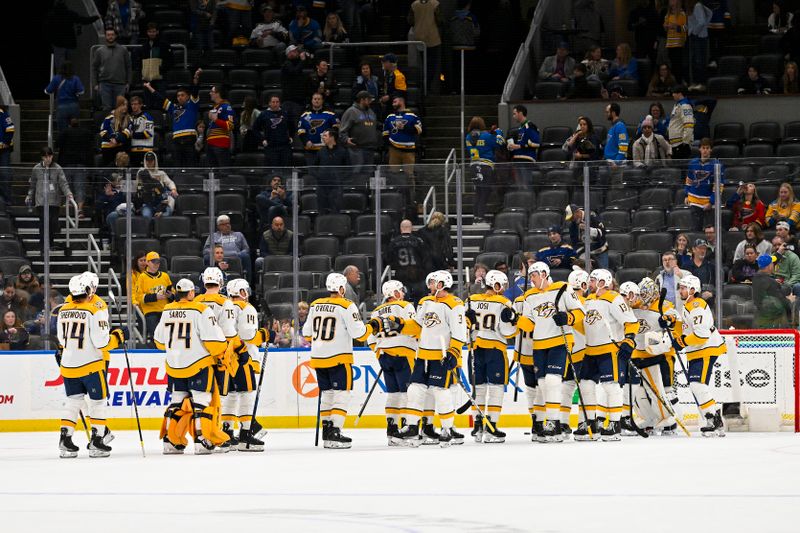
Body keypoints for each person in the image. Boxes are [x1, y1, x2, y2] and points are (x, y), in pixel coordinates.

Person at [377, 270, 467, 446]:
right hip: (423, 355)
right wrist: (400, 323)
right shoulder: (425, 302)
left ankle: (447, 428)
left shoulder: (455, 305)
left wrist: (454, 353)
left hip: (440, 356)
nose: (429, 286)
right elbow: (417, 325)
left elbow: (459, 333)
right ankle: (411, 426)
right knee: (415, 390)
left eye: (432, 283)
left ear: (441, 284)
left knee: (441, 392)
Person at [154, 278, 230, 454]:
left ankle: (171, 442)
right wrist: (222, 352)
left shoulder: (167, 310)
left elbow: (159, 341)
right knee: (201, 402)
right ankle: (201, 439)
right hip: (198, 365)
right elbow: (216, 341)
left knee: (176, 402)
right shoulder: (201, 309)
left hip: (174, 365)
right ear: (190, 293)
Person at [302, 273, 374, 448]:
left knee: (327, 394)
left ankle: (327, 431)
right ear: (342, 289)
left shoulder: (315, 305)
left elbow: (306, 334)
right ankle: (335, 431)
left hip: (318, 358)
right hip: (339, 357)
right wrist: (373, 326)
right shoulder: (347, 305)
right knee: (342, 394)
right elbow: (359, 334)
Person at [56, 274, 123, 458]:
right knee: (98, 401)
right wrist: (117, 338)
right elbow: (102, 343)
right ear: (88, 290)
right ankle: (97, 441)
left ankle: (65, 440)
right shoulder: (95, 310)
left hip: (68, 364)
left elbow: (62, 339)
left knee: (73, 401)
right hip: (91, 364)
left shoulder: (63, 309)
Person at [575, 268, 637, 441]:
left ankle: (615, 423)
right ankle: (591, 424)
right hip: (590, 349)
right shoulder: (588, 300)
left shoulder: (614, 299)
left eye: (593, 280)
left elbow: (631, 321)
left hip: (609, 349)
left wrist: (629, 340)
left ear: (602, 282)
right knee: (586, 385)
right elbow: (585, 326)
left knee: (611, 386)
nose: (590, 284)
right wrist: (569, 321)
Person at [464, 270, 517, 442]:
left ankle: (478, 427)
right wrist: (513, 320)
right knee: (495, 388)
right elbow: (508, 332)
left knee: (477, 388)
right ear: (496, 285)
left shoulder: (470, 301)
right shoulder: (504, 302)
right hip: (495, 349)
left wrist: (469, 321)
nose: (503, 290)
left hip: (474, 349)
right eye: (502, 286)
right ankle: (492, 426)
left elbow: (462, 329)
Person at [669, 275, 726, 436]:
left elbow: (701, 335)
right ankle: (715, 419)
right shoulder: (687, 305)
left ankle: (713, 419)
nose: (680, 290)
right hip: (696, 350)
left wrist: (680, 343)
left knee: (697, 385)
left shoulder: (697, 305)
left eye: (683, 287)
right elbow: (685, 329)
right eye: (680, 287)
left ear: (693, 290)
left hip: (706, 348)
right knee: (698, 386)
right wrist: (673, 323)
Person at [623, 277, 679, 435]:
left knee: (658, 390)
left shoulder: (663, 305)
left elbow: (674, 319)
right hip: (635, 354)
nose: (643, 298)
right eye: (641, 294)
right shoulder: (634, 304)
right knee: (637, 392)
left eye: (645, 294)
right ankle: (646, 419)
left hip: (654, 355)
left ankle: (667, 421)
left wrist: (668, 320)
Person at [366, 280, 418, 445]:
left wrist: (380, 352)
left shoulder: (376, 311)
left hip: (385, 357)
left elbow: (370, 338)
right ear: (394, 293)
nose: (402, 293)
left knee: (393, 394)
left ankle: (392, 430)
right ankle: (404, 430)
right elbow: (415, 328)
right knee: (407, 394)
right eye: (400, 291)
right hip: (403, 354)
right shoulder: (405, 306)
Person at [194, 267, 239, 452]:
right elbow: (229, 333)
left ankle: (200, 437)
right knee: (218, 397)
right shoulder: (225, 303)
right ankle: (216, 435)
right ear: (221, 282)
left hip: (197, 358)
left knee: (200, 399)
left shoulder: (195, 301)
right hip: (220, 356)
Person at [225, 278, 272, 450]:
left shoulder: (225, 307)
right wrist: (265, 334)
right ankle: (246, 435)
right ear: (243, 292)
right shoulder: (247, 308)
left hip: (227, 359)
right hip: (244, 358)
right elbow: (249, 336)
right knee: (246, 394)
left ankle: (227, 432)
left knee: (230, 395)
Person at [145, 69, 202, 168]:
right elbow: (160, 98)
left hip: (189, 139)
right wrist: (149, 87)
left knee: (191, 166)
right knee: (177, 167)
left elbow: (195, 91)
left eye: (182, 95)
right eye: (178, 96)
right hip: (176, 140)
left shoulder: (192, 105)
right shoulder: (173, 107)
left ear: (188, 96)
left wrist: (196, 78)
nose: (179, 97)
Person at [27, 147, 73, 251]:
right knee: (44, 222)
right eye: (46, 156)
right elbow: (32, 185)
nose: (48, 159)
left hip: (54, 201)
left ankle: (50, 243)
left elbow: (63, 183)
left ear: (52, 156)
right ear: (42, 157)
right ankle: (43, 245)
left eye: (50, 156)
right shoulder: (36, 168)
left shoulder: (57, 168)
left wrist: (68, 193)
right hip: (41, 201)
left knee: (52, 223)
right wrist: (29, 195)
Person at [465, 117, 505, 223]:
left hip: (473, 166)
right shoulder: (487, 136)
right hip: (486, 166)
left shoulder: (468, 137)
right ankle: (481, 217)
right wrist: (498, 132)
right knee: (485, 193)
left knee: (478, 192)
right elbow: (500, 143)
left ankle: (476, 217)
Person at [44, 0, 100, 69]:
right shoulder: (70, 14)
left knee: (59, 64)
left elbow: (47, 29)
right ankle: (69, 74)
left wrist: (51, 40)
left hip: (57, 44)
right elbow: (84, 20)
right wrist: (96, 17)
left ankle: (61, 77)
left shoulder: (51, 15)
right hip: (69, 43)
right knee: (70, 62)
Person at [57, 117, 95, 216]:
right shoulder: (86, 133)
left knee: (67, 185)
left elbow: (57, 144)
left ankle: (68, 206)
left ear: (70, 124)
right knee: (80, 187)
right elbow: (91, 146)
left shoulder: (65, 132)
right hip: (81, 163)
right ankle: (80, 209)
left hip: (67, 162)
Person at [134, 251, 173, 344]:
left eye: (158, 262)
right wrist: (155, 297)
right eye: (153, 262)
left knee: (168, 336)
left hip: (165, 310)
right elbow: (138, 297)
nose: (156, 264)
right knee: (156, 335)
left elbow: (173, 292)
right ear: (147, 262)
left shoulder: (165, 276)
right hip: (150, 311)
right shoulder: (142, 277)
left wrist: (170, 295)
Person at [385, 219, 428, 302]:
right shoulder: (418, 241)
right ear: (411, 228)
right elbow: (425, 258)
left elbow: (388, 258)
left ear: (401, 228)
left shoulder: (394, 242)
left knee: (402, 300)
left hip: (401, 274)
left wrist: (395, 265)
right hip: (417, 274)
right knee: (419, 301)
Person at [685, 138, 723, 230]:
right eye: (703, 148)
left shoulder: (717, 165)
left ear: (711, 149)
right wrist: (687, 195)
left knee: (709, 230)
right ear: (699, 149)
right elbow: (689, 180)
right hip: (694, 200)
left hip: (708, 201)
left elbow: (718, 186)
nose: (705, 150)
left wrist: (711, 202)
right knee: (696, 229)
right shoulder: (693, 163)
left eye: (707, 148)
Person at [339, 91, 379, 178]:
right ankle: (354, 191)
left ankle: (366, 191)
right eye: (369, 100)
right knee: (356, 174)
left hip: (370, 148)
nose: (370, 102)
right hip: (356, 149)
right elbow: (342, 130)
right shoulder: (351, 111)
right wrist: (346, 139)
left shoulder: (371, 112)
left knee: (368, 175)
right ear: (362, 100)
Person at [92, 28, 132, 112]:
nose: (110, 37)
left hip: (120, 84)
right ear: (105, 36)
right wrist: (95, 83)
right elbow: (94, 68)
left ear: (115, 36)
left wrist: (128, 82)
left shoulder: (123, 50)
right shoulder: (99, 51)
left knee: (120, 108)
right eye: (108, 35)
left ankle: (119, 125)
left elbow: (128, 66)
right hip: (104, 84)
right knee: (106, 108)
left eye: (112, 35)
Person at [203, 215, 252, 282]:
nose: (227, 226)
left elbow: (246, 249)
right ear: (219, 226)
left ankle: (248, 282)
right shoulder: (213, 236)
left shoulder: (239, 235)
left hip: (236, 257)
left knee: (246, 256)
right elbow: (206, 250)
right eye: (224, 224)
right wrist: (217, 255)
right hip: (219, 259)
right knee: (207, 257)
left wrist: (238, 254)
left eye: (228, 223)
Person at [409, 0, 443, 93]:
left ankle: (423, 86)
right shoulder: (435, 4)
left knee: (423, 63)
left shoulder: (414, 5)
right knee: (432, 65)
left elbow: (410, 21)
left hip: (419, 37)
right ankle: (427, 86)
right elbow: (439, 20)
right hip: (433, 38)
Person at [312, 129, 350, 215]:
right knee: (322, 209)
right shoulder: (321, 152)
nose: (323, 137)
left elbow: (348, 169)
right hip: (322, 186)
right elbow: (313, 167)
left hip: (336, 186)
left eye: (325, 136)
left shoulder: (343, 151)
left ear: (332, 138)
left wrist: (340, 179)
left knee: (335, 209)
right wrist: (319, 177)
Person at [753, 254, 795, 328]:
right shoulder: (771, 282)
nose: (773, 265)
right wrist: (790, 300)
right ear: (769, 266)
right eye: (772, 263)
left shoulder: (755, 278)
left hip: (759, 319)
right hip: (772, 323)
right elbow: (783, 303)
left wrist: (771, 281)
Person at [299, 92, 340, 167]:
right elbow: (301, 132)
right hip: (310, 150)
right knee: (312, 173)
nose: (316, 101)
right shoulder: (304, 115)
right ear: (312, 100)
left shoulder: (331, 114)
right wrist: (306, 142)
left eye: (319, 99)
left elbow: (336, 129)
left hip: (326, 150)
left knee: (325, 172)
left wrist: (329, 139)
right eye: (315, 99)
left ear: (322, 101)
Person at [253, 94, 294, 169]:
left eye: (277, 102)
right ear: (269, 103)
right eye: (273, 102)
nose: (275, 104)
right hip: (270, 147)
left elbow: (292, 126)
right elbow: (255, 129)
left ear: (280, 103)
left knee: (286, 170)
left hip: (285, 146)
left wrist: (291, 136)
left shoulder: (285, 113)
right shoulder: (264, 114)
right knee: (273, 170)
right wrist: (262, 140)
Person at [44, 61, 85, 134]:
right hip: (74, 105)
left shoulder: (57, 78)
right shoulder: (75, 78)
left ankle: (64, 144)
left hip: (61, 106)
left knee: (63, 131)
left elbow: (48, 91)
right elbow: (81, 91)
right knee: (75, 128)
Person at [506, 104, 541, 189]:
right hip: (517, 160)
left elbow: (536, 143)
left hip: (526, 161)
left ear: (520, 113)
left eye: (514, 114)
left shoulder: (530, 126)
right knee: (520, 187)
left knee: (526, 186)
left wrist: (519, 146)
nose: (513, 116)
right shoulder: (520, 128)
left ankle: (529, 202)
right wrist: (511, 147)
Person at [136, 151, 177, 219]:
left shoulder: (161, 173)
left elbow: (169, 182)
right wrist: (138, 206)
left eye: (151, 160)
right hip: (147, 202)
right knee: (146, 216)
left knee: (166, 214)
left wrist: (173, 189)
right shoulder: (141, 173)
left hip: (161, 198)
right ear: (145, 161)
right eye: (147, 160)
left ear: (155, 161)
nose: (149, 162)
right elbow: (138, 191)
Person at [566, 203, 608, 269]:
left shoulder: (592, 216)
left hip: (599, 251)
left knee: (602, 273)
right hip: (585, 253)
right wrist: (584, 258)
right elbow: (575, 243)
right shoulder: (572, 226)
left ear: (577, 212)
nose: (571, 220)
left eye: (572, 217)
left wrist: (588, 229)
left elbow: (602, 233)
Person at [281, 45, 311, 129]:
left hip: (298, 99)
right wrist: (302, 60)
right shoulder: (287, 64)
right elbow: (294, 72)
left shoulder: (296, 62)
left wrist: (306, 57)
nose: (297, 52)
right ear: (289, 53)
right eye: (295, 51)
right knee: (292, 123)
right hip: (290, 100)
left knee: (298, 122)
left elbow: (307, 62)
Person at [207, 86, 235, 168]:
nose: (210, 93)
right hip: (210, 144)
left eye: (212, 91)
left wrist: (216, 120)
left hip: (220, 144)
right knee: (212, 173)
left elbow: (230, 126)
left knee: (223, 172)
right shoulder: (215, 107)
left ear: (218, 94)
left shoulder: (226, 107)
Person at [99, 96, 131, 167]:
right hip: (107, 147)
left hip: (120, 147)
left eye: (126, 105)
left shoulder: (128, 119)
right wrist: (111, 139)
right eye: (123, 105)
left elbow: (127, 132)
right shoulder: (108, 118)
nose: (125, 107)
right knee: (109, 170)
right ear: (118, 106)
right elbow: (103, 131)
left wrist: (116, 140)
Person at [687, 0, 712, 90]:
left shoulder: (697, 6)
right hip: (695, 35)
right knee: (695, 60)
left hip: (698, 37)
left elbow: (702, 21)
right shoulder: (692, 6)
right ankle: (696, 82)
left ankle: (701, 83)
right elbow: (710, 13)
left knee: (699, 60)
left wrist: (695, 32)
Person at [668, 84, 694, 160]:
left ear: (679, 93)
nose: (672, 95)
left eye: (674, 93)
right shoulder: (677, 105)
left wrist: (685, 142)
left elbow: (689, 125)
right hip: (675, 144)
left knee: (682, 168)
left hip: (681, 144)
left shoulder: (685, 106)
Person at [664, 0, 688, 83]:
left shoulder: (682, 14)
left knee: (678, 64)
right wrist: (666, 27)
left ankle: (680, 82)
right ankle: (674, 83)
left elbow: (686, 28)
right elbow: (665, 28)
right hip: (670, 43)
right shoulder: (668, 14)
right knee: (672, 65)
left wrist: (676, 27)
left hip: (679, 43)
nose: (671, 2)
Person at [128, 96, 155, 167]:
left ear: (140, 105)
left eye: (136, 104)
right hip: (133, 150)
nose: (134, 106)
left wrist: (133, 135)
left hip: (145, 149)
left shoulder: (147, 117)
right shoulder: (130, 118)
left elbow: (149, 133)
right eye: (132, 104)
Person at [0, 104, 14, 205]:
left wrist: (6, 142)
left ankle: (7, 200)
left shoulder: (2, 114)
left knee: (5, 175)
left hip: (3, 151)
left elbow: (10, 128)